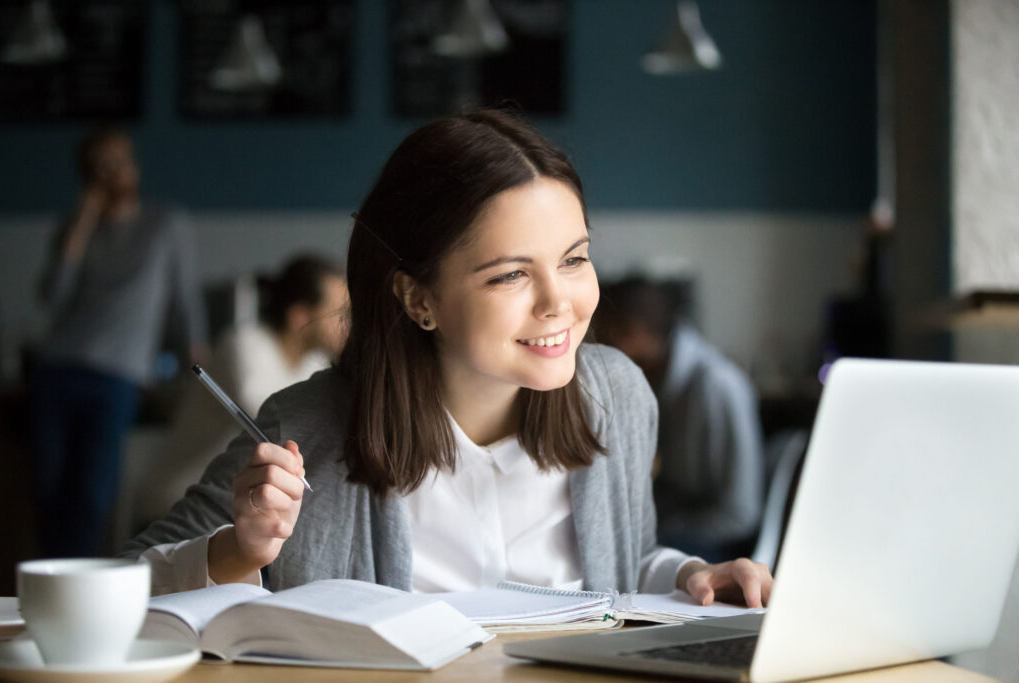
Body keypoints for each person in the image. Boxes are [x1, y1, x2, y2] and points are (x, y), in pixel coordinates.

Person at [122, 109, 772, 607]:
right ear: (419, 298)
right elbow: (125, 585)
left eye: (574, 258)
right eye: (511, 274)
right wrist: (238, 550)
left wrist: (689, 574)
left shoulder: (617, 396)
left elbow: (619, 565)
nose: (560, 303)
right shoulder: (308, 427)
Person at [29, 126, 207, 558]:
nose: (115, 173)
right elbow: (51, 296)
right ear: (88, 174)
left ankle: (81, 588)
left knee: (93, 494)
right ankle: (44, 584)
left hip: (117, 377)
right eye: (102, 166)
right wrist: (83, 220)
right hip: (57, 369)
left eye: (121, 161)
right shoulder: (76, 228)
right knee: (47, 489)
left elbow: (185, 301)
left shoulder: (165, 224)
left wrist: (199, 368)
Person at [140, 254, 349, 522]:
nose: (347, 324)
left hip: (238, 512)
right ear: (298, 316)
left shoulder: (312, 363)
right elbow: (275, 422)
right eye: (337, 312)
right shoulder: (244, 346)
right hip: (184, 506)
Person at [595, 277, 764, 562]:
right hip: (679, 525)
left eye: (607, 334)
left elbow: (739, 514)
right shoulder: (655, 380)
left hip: (721, 545)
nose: (602, 345)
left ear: (632, 330)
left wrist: (658, 532)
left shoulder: (717, 386)